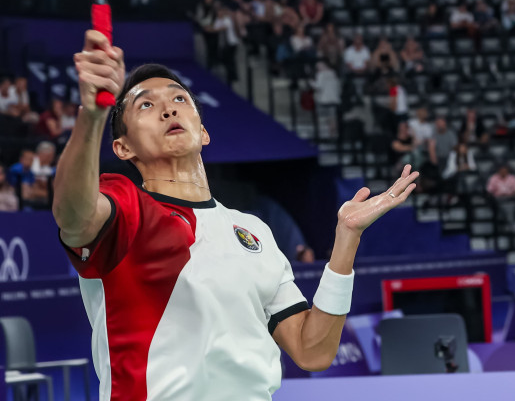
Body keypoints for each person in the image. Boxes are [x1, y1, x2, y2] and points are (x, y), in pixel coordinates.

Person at [54, 35, 418, 398]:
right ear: (123, 147)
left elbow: (313, 351)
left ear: (204, 132)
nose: (169, 109)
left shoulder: (252, 231)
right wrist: (93, 114)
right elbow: (74, 215)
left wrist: (347, 239)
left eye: (179, 98)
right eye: (146, 105)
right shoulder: (124, 211)